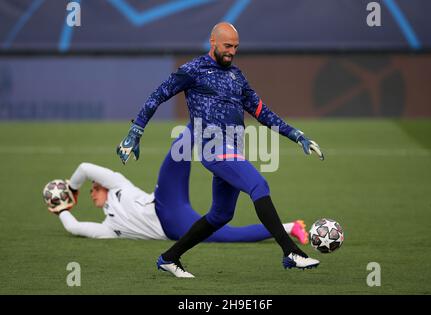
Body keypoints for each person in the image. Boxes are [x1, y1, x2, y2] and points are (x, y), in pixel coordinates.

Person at [117, 22, 324, 278]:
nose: (232, 52)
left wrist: (296, 135)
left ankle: (169, 258)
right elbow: (157, 96)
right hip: (213, 147)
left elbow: (262, 112)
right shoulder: (193, 70)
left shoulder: (237, 76)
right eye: (227, 46)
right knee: (259, 186)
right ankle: (291, 253)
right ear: (212, 42)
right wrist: (135, 132)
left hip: (233, 149)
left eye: (236, 47)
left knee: (221, 214)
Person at [48, 140, 309, 244]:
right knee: (230, 236)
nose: (93, 193)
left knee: (178, 151)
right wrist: (61, 208)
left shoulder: (118, 184)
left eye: (95, 188)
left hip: (164, 204)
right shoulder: (109, 228)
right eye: (92, 190)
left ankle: (199, 118)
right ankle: (291, 227)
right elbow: (75, 228)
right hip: (174, 228)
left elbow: (84, 167)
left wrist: (72, 188)